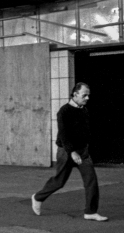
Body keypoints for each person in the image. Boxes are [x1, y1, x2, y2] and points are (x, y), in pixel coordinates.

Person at [32, 82, 108, 222]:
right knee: (59, 182)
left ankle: (90, 212)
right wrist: (72, 152)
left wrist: (84, 149)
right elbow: (63, 135)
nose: (87, 98)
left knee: (91, 181)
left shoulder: (84, 110)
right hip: (66, 152)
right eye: (84, 95)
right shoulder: (64, 111)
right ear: (75, 94)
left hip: (83, 152)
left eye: (88, 95)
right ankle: (38, 197)